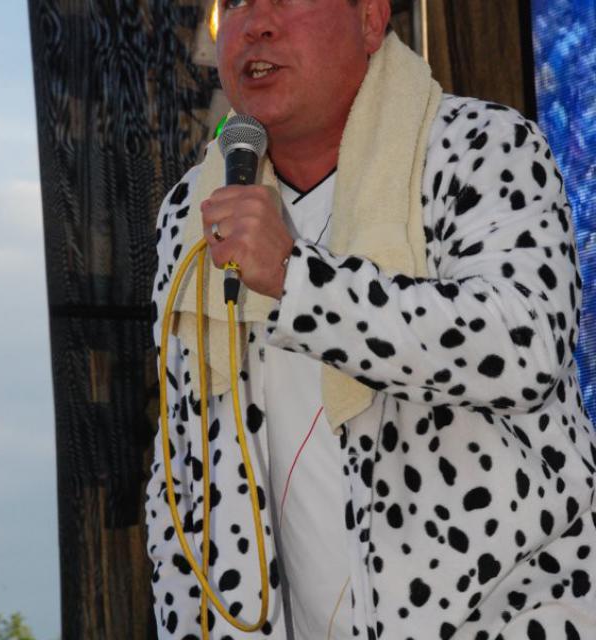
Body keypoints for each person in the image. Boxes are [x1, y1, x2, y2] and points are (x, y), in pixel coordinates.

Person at [145, 0, 596, 638]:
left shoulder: (483, 145)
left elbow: (524, 348)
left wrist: (297, 281)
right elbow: (180, 476)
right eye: (235, 2)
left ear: (371, 19)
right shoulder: (193, 212)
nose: (256, 22)